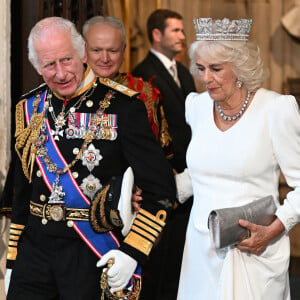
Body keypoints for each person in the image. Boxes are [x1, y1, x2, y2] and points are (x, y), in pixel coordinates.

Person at [5, 16, 176, 300]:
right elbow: (21, 193)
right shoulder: (28, 108)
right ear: (37, 67)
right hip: (34, 257)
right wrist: (13, 260)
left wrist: (133, 251)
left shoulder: (124, 107)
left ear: (82, 52)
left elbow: (161, 190)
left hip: (92, 254)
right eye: (49, 65)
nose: (61, 73)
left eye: (67, 60)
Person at [176, 17, 300, 299]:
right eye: (201, 68)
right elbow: (198, 175)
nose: (206, 77)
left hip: (252, 250)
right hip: (200, 250)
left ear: (241, 67)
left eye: (216, 69)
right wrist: (155, 191)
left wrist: (274, 229)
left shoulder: (275, 110)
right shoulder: (196, 106)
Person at [132, 9, 196, 300]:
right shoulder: (143, 73)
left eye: (183, 31)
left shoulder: (183, 72)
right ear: (157, 35)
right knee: (159, 264)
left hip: (190, 180)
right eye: (175, 31)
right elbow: (147, 133)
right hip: (162, 182)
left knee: (180, 263)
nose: (182, 36)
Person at [82, 15, 173, 156]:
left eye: (112, 51)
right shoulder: (69, 90)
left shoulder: (145, 92)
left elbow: (160, 154)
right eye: (97, 50)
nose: (105, 59)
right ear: (84, 50)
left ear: (124, 51)